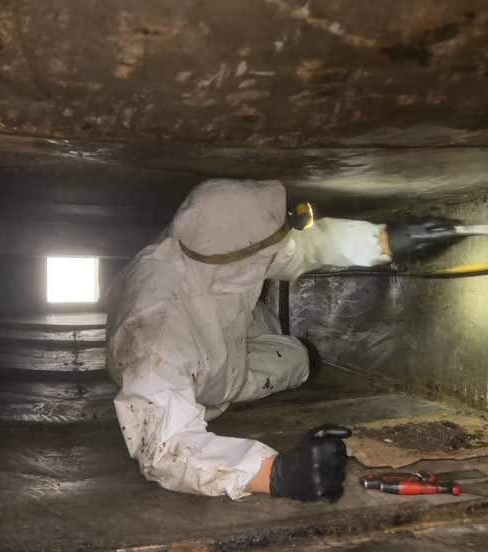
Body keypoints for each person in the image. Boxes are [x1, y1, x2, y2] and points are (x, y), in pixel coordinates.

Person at [106, 179, 462, 501]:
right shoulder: (157, 334)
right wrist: (275, 474)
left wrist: (382, 241)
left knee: (270, 329)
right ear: (242, 260)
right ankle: (295, 357)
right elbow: (163, 447)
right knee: (299, 358)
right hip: (201, 373)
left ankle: (265, 342)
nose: (280, 251)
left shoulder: (208, 242)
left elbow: (295, 248)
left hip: (223, 320)